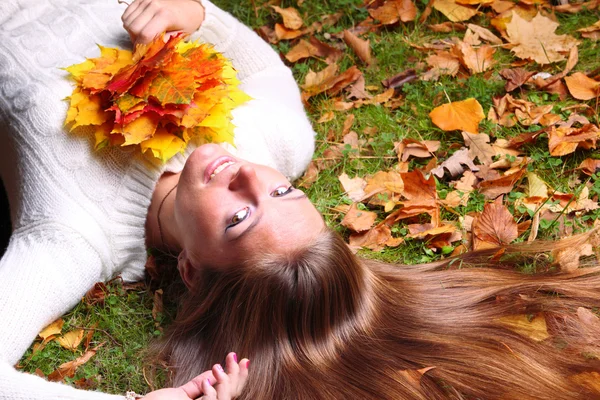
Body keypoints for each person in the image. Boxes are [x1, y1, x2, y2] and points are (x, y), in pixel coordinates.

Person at [0, 0, 319, 398]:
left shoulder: (74, 236)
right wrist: (201, 16)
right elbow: (267, 73)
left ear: (192, 271)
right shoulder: (277, 143)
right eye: (283, 191)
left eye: (238, 218)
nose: (249, 173)